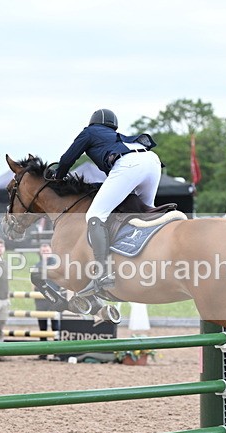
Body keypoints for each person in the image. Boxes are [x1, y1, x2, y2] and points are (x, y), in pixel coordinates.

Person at [54, 108, 162, 296]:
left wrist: (58, 176)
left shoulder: (89, 132)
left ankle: (103, 273)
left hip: (129, 164)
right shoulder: (117, 137)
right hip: (152, 161)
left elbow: (67, 159)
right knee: (147, 213)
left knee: (95, 215)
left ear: (93, 122)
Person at [31, 242, 60, 344]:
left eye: (47, 251)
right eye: (43, 251)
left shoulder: (56, 263)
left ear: (51, 251)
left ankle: (56, 350)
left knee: (55, 325)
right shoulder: (36, 265)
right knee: (42, 325)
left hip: (53, 297)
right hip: (40, 298)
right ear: (40, 252)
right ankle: (43, 350)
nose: (45, 253)